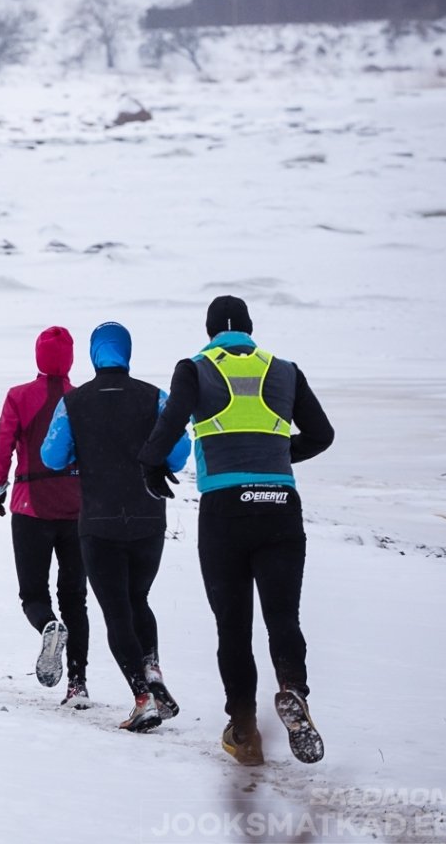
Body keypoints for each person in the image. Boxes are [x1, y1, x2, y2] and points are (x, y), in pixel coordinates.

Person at [139, 296, 334, 766]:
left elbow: (169, 425)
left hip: (225, 510)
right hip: (280, 505)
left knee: (233, 626)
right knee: (283, 617)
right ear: (250, 329)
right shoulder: (284, 369)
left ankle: (244, 729)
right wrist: (279, 456)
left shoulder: (195, 368)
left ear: (210, 332)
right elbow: (322, 434)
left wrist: (150, 465)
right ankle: (293, 689)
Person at [40, 322, 192, 731]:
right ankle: (153, 670)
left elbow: (52, 456)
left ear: (94, 355)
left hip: (100, 519)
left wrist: (80, 454)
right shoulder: (155, 396)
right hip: (147, 515)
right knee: (138, 598)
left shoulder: (74, 403)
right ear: (127, 352)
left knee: (116, 611)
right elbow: (180, 452)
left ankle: (142, 698)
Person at [0, 326, 90, 702]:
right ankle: (78, 685)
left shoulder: (19, 396)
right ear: (71, 360)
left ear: (38, 357)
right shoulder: (82, 399)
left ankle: (48, 626)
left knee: (33, 593)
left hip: (31, 506)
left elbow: (3, 444)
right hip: (76, 509)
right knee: (75, 597)